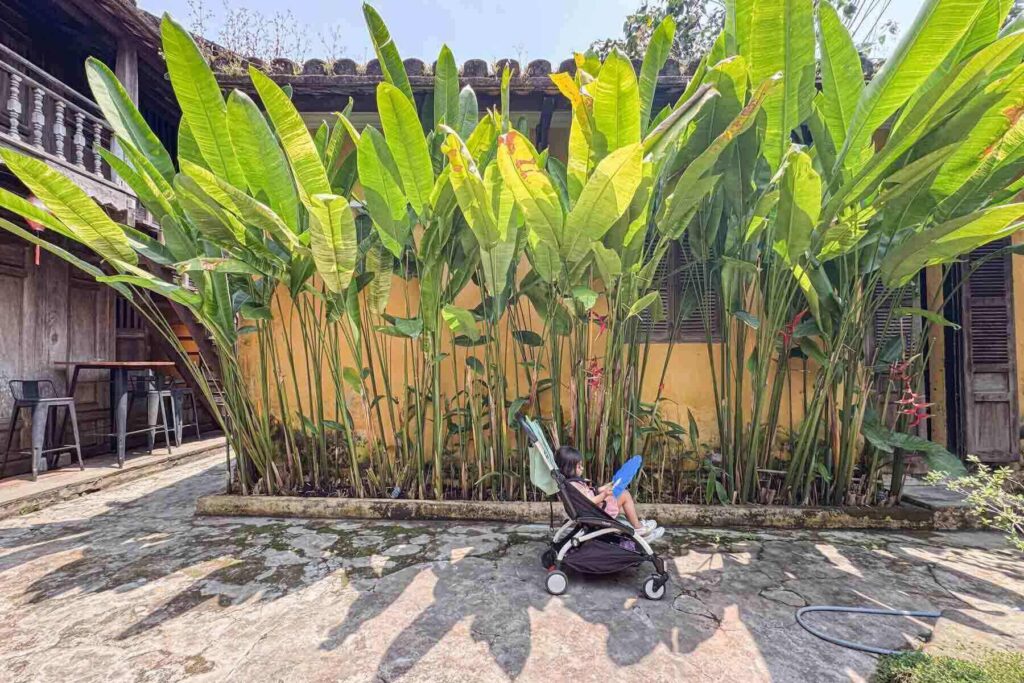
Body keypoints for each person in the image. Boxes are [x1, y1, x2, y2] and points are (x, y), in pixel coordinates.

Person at [554, 445, 665, 542]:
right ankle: (638, 527)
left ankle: (637, 527)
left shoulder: (571, 483)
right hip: (595, 512)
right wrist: (604, 495)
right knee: (625, 495)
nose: (582, 468)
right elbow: (589, 501)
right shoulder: (575, 485)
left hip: (593, 509)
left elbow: (591, 493)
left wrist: (605, 487)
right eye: (579, 466)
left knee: (623, 506)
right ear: (568, 468)